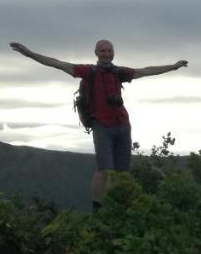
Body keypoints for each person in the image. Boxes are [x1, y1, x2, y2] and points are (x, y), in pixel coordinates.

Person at [11, 39, 188, 209]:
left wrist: (173, 67)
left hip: (123, 125)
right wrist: (29, 54)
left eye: (109, 50)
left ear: (113, 53)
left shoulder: (119, 72)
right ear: (96, 53)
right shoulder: (88, 71)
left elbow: (146, 71)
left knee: (122, 173)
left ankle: (118, 204)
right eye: (103, 50)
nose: (106, 53)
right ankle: (98, 207)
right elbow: (57, 63)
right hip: (102, 125)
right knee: (104, 170)